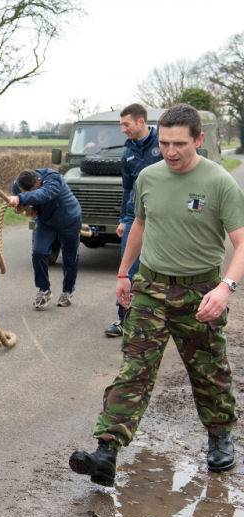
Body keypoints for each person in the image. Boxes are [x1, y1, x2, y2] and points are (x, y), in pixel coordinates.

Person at [69, 104, 244, 487]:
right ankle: (106, 452)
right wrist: (122, 273)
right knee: (135, 370)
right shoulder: (148, 177)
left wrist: (224, 288)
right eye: (164, 142)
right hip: (151, 287)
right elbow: (139, 225)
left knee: (208, 369)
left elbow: (241, 243)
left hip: (200, 291)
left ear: (199, 140)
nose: (170, 151)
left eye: (179, 143)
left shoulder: (219, 182)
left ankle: (219, 437)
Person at [104, 103, 162, 337]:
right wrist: (123, 219)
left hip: (162, 216)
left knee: (158, 268)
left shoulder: (162, 143)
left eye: (125, 124)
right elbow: (127, 188)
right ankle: (125, 319)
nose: (123, 130)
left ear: (140, 122)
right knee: (127, 269)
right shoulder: (127, 151)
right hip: (134, 216)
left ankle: (157, 318)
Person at [7, 169, 82, 309]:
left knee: (70, 257)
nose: (27, 193)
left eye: (32, 191)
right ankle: (44, 290)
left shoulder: (53, 178)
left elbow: (43, 194)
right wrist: (25, 205)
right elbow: (17, 193)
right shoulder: (19, 183)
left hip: (69, 219)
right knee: (38, 252)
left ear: (39, 181)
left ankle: (67, 291)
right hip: (46, 221)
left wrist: (21, 199)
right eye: (24, 192)